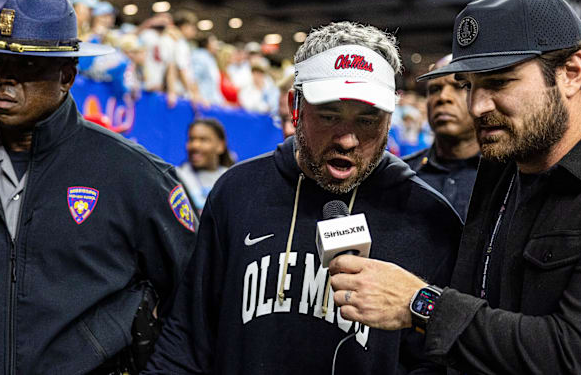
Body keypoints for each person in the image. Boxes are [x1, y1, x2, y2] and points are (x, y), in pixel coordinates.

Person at [0, 0, 197, 375]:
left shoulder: (135, 177)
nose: (5, 77)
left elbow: (194, 303)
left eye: (27, 64)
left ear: (67, 76)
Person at [143, 21, 462, 375]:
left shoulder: (429, 219)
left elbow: (436, 362)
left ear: (389, 120)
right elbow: (188, 337)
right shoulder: (237, 191)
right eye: (329, 116)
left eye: (368, 120)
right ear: (296, 105)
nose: (347, 140)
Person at [329, 0, 581, 374]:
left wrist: (420, 303)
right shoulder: (503, 162)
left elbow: (580, 356)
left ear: (572, 73)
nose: (477, 106)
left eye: (500, 82)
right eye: (469, 85)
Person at [403, 54, 479, 220]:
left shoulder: (509, 176)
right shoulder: (402, 175)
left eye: (459, 86)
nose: (443, 98)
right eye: (434, 89)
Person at [176, 118, 234, 214]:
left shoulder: (231, 179)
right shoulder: (177, 178)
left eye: (203, 140)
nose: (195, 145)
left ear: (220, 146)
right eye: (191, 139)